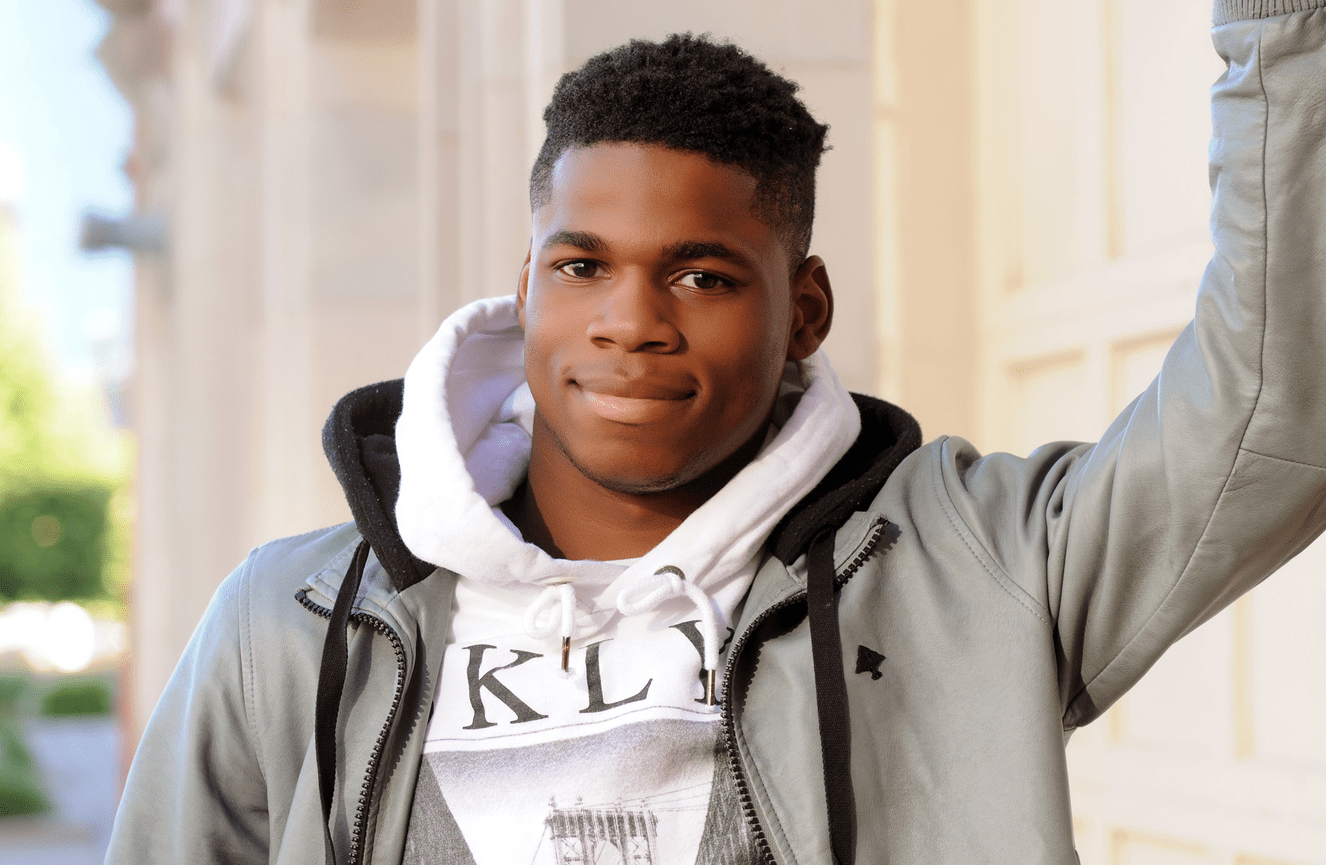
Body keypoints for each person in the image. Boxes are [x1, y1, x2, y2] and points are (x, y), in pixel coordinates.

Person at [107, 8, 1326, 864]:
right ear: (526, 285)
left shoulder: (977, 574)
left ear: (805, 310)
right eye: (584, 267)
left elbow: (1275, 407)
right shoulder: (292, 627)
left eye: (700, 276)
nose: (629, 324)